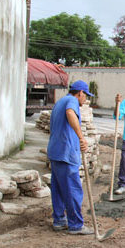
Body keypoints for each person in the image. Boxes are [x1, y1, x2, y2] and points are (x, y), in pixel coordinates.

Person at [47, 80, 94, 235]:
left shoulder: (60, 101)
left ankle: (59, 220)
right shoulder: (71, 101)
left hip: (56, 152)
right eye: (85, 96)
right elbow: (70, 113)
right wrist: (81, 137)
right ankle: (76, 225)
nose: (85, 99)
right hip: (66, 153)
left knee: (59, 189)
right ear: (80, 93)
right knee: (73, 190)